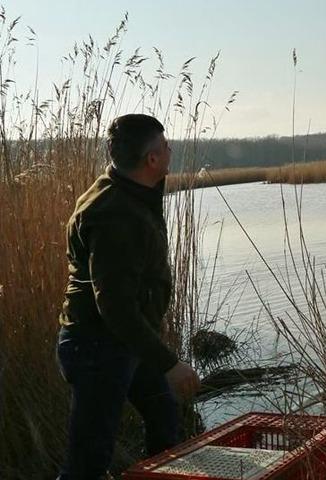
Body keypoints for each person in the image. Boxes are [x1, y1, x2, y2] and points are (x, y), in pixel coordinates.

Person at [56, 114, 200, 479]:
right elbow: (115, 307)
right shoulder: (117, 215)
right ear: (151, 160)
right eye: (165, 146)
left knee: (165, 415)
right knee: (87, 462)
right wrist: (169, 363)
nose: (170, 151)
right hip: (97, 348)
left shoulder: (129, 189)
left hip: (121, 344)